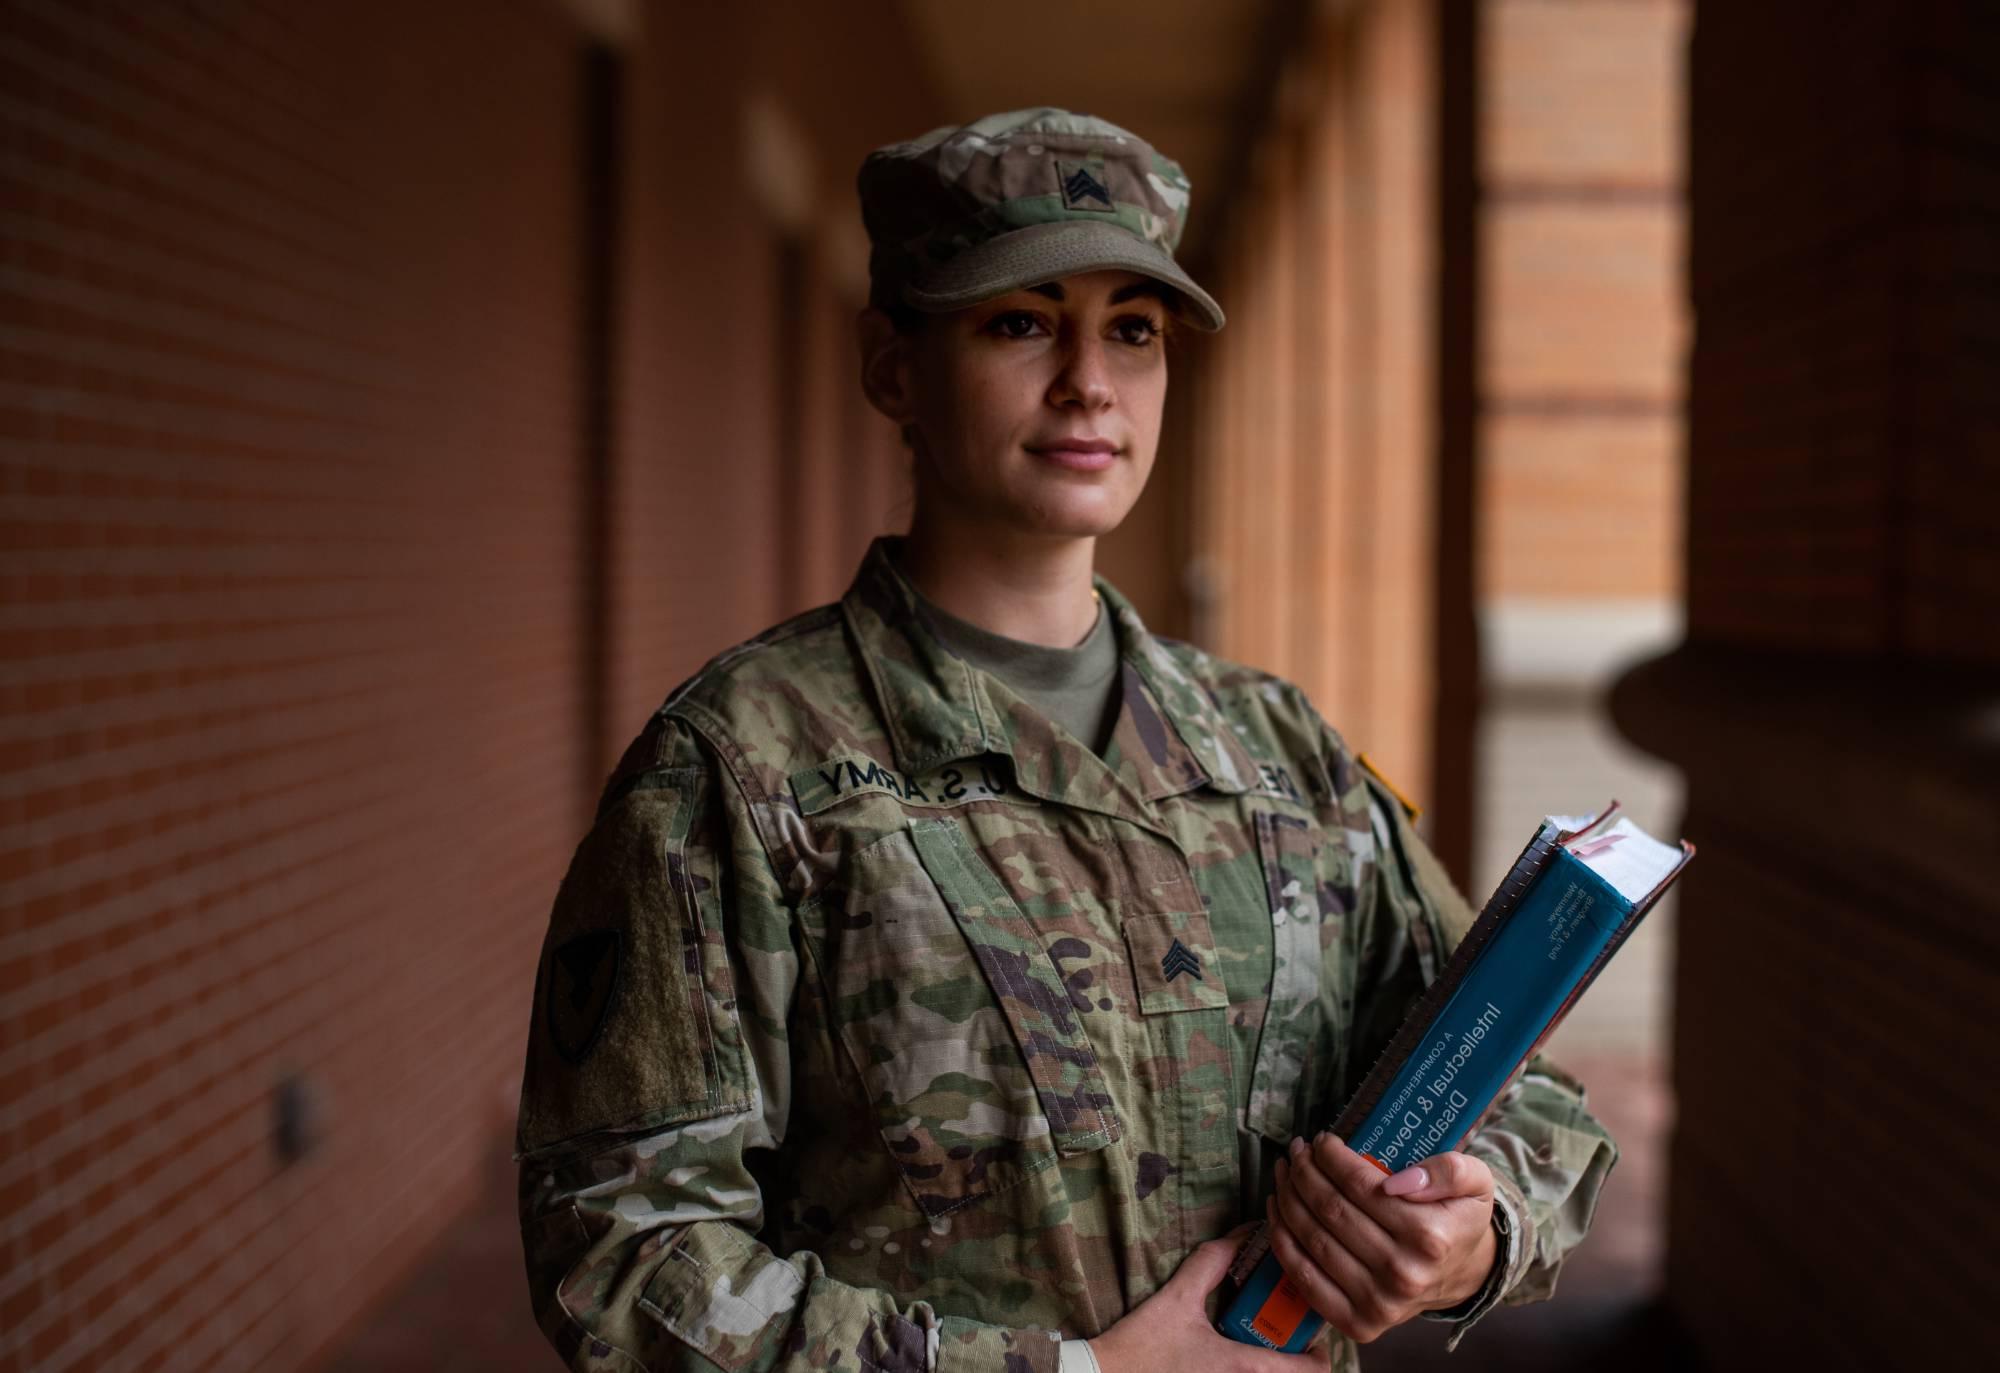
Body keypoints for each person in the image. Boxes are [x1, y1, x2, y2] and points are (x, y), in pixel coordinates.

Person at [514, 108, 1616, 1373]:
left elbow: (1515, 1079)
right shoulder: (741, 769)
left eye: (1132, 331)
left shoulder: (1278, 750)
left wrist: (1468, 1234)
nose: (1089, 379)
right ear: (893, 366)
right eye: (1020, 320)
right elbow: (620, 1254)